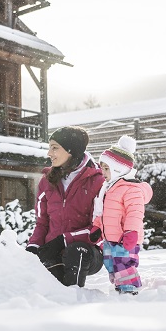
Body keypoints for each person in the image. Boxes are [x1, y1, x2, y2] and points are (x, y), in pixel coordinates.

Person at [26, 126, 105, 287]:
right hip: (52, 251)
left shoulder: (98, 181)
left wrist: (64, 240)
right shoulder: (47, 181)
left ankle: (73, 299)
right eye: (49, 148)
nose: (49, 153)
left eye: (54, 148)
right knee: (46, 285)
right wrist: (33, 246)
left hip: (88, 252)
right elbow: (42, 223)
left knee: (76, 252)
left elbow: (98, 228)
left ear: (71, 150)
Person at [93, 135, 153, 295]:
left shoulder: (131, 189)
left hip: (125, 238)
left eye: (107, 168)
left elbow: (135, 213)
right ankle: (120, 287)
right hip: (110, 238)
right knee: (111, 263)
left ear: (118, 168)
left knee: (124, 264)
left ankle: (130, 290)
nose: (102, 172)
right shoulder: (108, 187)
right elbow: (104, 212)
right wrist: (97, 227)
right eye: (102, 167)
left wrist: (131, 231)